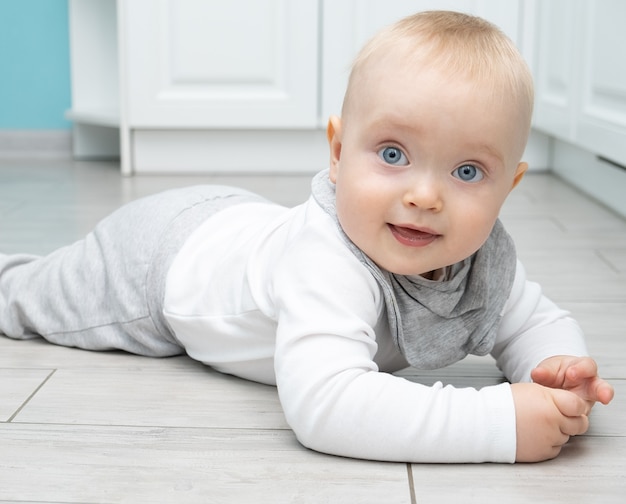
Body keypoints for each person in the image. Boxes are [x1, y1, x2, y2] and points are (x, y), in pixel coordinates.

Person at [0, 11, 614, 463]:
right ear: (339, 152)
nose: (426, 196)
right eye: (393, 153)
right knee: (27, 296)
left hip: (247, 224)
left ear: (509, 187)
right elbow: (326, 407)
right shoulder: (327, 261)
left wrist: (554, 370)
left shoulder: (484, 262)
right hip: (163, 260)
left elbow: (533, 320)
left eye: (467, 172)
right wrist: (497, 424)